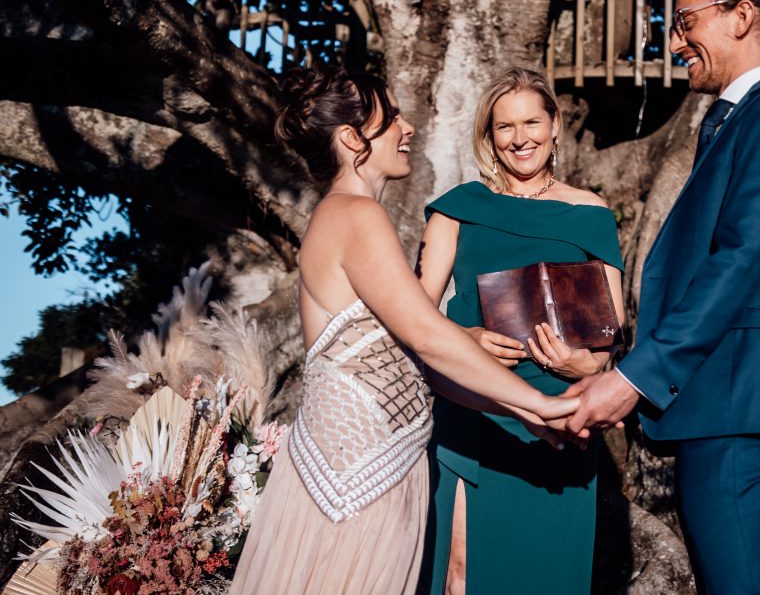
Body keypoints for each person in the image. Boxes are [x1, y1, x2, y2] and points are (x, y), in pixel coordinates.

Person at [229, 64, 577, 595]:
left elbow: (419, 368)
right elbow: (428, 337)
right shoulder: (353, 214)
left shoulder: (351, 215)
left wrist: (527, 411)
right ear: (352, 138)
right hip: (351, 482)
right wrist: (547, 404)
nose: (406, 126)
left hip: (381, 475)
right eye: (390, 117)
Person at [565, 0, 760, 594]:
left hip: (733, 406)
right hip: (715, 404)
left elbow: (740, 262)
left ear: (742, 16)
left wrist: (636, 378)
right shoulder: (736, 120)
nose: (675, 40)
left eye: (686, 21)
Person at [416, 67, 625, 595]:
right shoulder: (457, 208)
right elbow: (411, 316)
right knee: (460, 576)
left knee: (546, 579)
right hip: (472, 412)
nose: (520, 138)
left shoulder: (593, 214)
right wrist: (464, 339)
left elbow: (608, 337)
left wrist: (579, 367)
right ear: (489, 136)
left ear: (555, 126)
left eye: (532, 122)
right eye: (504, 127)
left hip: (562, 423)